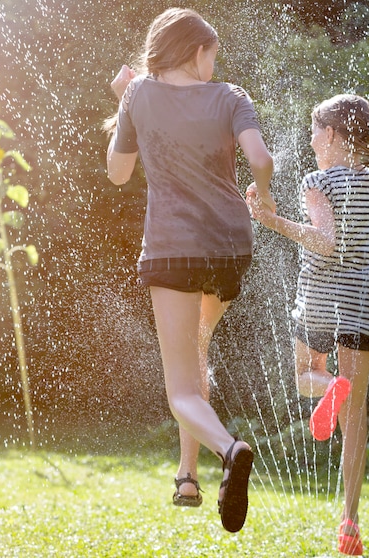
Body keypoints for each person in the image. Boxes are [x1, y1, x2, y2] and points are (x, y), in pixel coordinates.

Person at [105, 7, 274, 533]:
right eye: (212, 54)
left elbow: (118, 172)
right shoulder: (231, 97)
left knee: (180, 387)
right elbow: (261, 160)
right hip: (229, 247)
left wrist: (126, 105)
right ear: (196, 51)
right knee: (197, 347)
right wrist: (262, 198)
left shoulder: (137, 95)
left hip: (172, 251)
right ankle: (187, 476)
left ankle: (228, 450)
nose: (214, 63)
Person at [246, 94, 369, 555]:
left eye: (315, 129)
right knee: (355, 417)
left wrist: (271, 220)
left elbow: (324, 242)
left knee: (307, 379)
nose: (311, 137)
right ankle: (350, 523)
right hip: (364, 305)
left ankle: (329, 387)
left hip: (322, 301)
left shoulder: (317, 181)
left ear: (335, 135)